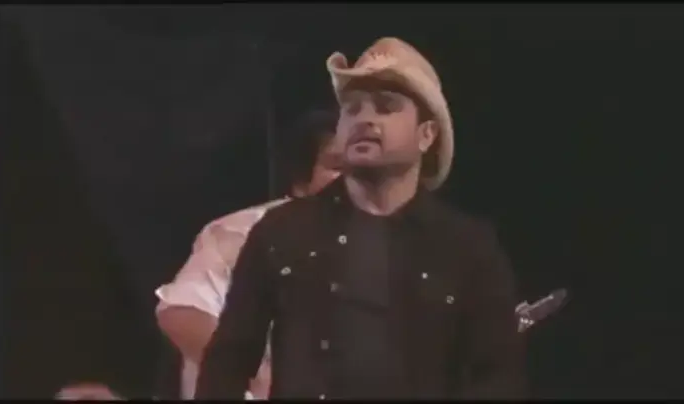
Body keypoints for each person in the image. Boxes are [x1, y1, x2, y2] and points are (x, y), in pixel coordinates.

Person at [196, 37, 527, 400]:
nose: (364, 119)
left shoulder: (468, 247)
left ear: (426, 135)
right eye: (352, 109)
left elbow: (498, 378)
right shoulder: (281, 232)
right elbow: (226, 364)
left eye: (385, 107)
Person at [154, 108, 342, 400]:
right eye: (338, 165)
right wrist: (253, 375)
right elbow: (181, 314)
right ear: (301, 183)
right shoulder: (244, 232)